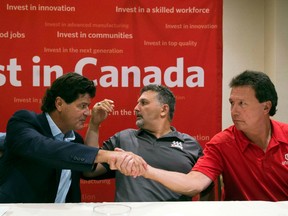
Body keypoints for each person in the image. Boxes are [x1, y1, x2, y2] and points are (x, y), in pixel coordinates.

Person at [114, 70, 288, 201]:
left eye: (242, 104)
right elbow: (193, 184)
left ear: (266, 107)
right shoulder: (222, 143)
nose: (234, 111)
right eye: (231, 103)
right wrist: (147, 170)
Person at [0, 72, 146, 203]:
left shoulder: (75, 139)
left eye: (87, 106)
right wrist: (108, 155)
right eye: (82, 106)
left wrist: (94, 125)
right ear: (59, 104)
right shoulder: (24, 122)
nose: (87, 112)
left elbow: (90, 170)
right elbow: (45, 148)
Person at [84, 84, 211, 201]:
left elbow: (205, 187)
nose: (136, 108)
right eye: (137, 103)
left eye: (143, 103)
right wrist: (94, 124)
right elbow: (89, 170)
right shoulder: (123, 138)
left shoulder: (190, 145)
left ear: (163, 109)